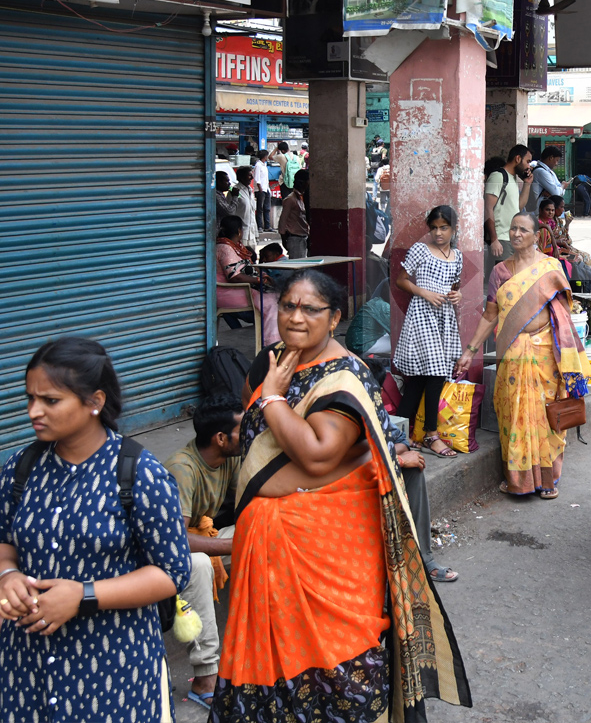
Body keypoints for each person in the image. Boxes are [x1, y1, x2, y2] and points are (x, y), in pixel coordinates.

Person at [210, 270, 471, 719]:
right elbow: (255, 438)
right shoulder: (270, 362)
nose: (295, 317)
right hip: (266, 543)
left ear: (334, 319)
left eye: (310, 309)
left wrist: (273, 401)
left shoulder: (347, 377)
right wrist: (268, 393)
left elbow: (316, 455)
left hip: (327, 551)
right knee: (269, 669)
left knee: (337, 668)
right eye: (288, 305)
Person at [0, 338, 191, 720]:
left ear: (94, 402)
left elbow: (172, 573)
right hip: (27, 667)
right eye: (30, 398)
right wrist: (7, 575)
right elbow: (5, 542)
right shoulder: (21, 468)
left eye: (50, 401)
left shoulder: (140, 475)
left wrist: (83, 595)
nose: (34, 411)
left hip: (112, 671)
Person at [455, 212, 590, 498]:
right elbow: (490, 315)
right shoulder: (501, 271)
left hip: (545, 355)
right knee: (513, 413)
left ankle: (548, 480)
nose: (516, 234)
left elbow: (563, 319)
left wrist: (570, 362)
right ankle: (520, 481)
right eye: (513, 228)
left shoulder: (551, 268)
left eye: (523, 230)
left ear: (536, 235)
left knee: (546, 414)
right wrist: (470, 350)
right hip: (512, 353)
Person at [164, 392, 243, 709]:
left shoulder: (230, 458)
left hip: (206, 535)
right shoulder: (182, 469)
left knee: (273, 531)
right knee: (198, 564)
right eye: (242, 429)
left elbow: (251, 501)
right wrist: (232, 545)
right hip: (169, 552)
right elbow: (174, 541)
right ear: (221, 438)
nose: (248, 433)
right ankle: (205, 679)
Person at [393, 206, 463, 459]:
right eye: (434, 228)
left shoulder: (457, 256)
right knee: (435, 373)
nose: (438, 233)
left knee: (421, 378)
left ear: (454, 228)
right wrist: (424, 292)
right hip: (422, 314)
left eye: (444, 227)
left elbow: (454, 286)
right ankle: (431, 434)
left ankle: (396, 430)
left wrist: (458, 295)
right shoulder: (420, 250)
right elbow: (401, 280)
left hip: (444, 318)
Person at [216, 215, 282, 345]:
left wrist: (260, 277)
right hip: (229, 292)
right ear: (240, 231)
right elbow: (235, 276)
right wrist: (258, 280)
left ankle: (272, 339)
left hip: (231, 291)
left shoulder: (231, 246)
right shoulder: (225, 248)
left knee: (276, 297)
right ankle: (272, 344)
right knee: (272, 302)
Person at [485, 145, 534, 279]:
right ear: (518, 159)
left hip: (512, 239)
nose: (528, 166)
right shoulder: (498, 176)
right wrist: (494, 239)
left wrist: (527, 183)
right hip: (501, 240)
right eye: (528, 161)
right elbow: (487, 208)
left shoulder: (511, 179)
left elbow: (518, 207)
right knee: (503, 282)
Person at [278, 168, 311, 258]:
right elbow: (282, 221)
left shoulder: (302, 198)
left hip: (304, 236)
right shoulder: (290, 200)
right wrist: (284, 240)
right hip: (295, 238)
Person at [526, 145, 565, 212]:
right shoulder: (541, 172)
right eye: (557, 160)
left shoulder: (550, 172)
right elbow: (557, 193)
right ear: (551, 158)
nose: (556, 164)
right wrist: (563, 186)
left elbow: (558, 191)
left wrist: (558, 189)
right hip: (538, 211)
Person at [233, 165, 259, 248]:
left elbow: (252, 213)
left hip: (251, 233)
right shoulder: (235, 191)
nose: (251, 178)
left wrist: (255, 233)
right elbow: (231, 211)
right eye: (249, 175)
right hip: (241, 234)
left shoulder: (250, 190)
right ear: (241, 177)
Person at [214, 169, 239, 236]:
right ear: (219, 182)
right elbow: (229, 212)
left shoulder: (220, 195)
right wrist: (235, 197)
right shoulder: (216, 196)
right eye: (227, 181)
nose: (229, 184)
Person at [253, 149, 273, 232]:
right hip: (261, 189)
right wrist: (260, 188)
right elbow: (257, 178)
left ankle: (267, 226)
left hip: (266, 188)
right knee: (260, 208)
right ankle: (260, 226)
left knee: (267, 208)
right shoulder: (258, 165)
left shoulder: (264, 165)